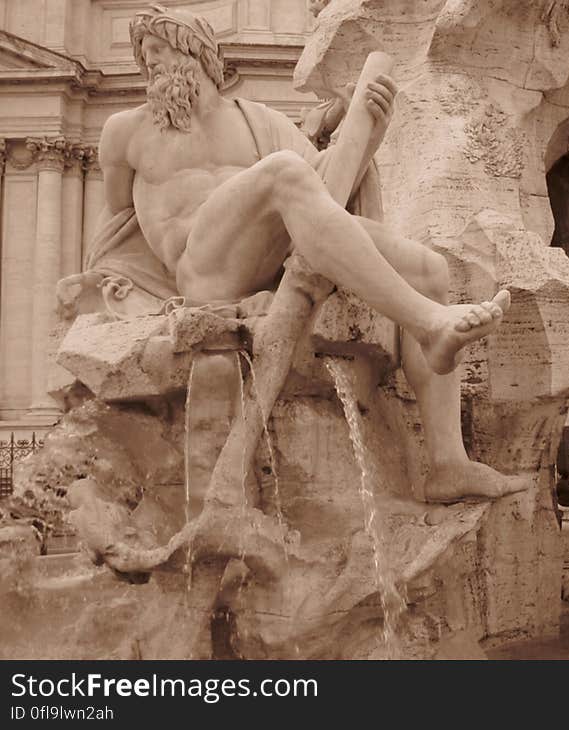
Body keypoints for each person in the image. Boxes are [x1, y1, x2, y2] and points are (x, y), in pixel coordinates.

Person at [89, 4, 527, 503]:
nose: (154, 68)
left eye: (163, 53)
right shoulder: (125, 131)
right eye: (147, 59)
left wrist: (371, 133)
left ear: (200, 56)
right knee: (282, 171)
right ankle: (430, 324)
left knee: (428, 267)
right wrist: (111, 286)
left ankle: (448, 463)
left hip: (269, 260)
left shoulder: (259, 122)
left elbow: (327, 187)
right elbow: (119, 217)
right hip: (201, 267)